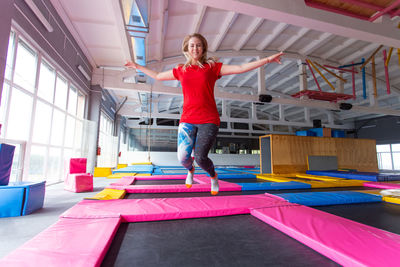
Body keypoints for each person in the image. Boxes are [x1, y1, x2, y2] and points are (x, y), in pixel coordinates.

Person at [125, 33, 283, 195]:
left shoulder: (212, 67)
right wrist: (137, 66)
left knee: (201, 157)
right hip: (187, 119)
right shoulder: (181, 69)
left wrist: (268, 60)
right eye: (192, 45)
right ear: (187, 48)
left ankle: (213, 176)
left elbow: (240, 69)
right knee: (182, 158)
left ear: (203, 48)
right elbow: (158, 76)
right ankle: (190, 170)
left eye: (198, 45)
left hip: (208, 119)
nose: (195, 48)